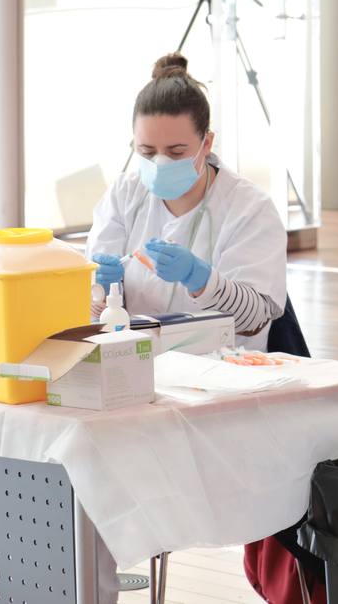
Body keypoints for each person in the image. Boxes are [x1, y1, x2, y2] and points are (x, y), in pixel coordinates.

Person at [84, 52, 288, 602]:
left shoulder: (248, 209)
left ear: (206, 143)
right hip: (135, 379)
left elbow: (259, 313)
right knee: (81, 459)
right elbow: (91, 302)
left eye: (176, 151)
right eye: (146, 151)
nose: (159, 164)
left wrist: (204, 281)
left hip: (219, 386)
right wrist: (100, 288)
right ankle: (90, 583)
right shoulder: (127, 195)